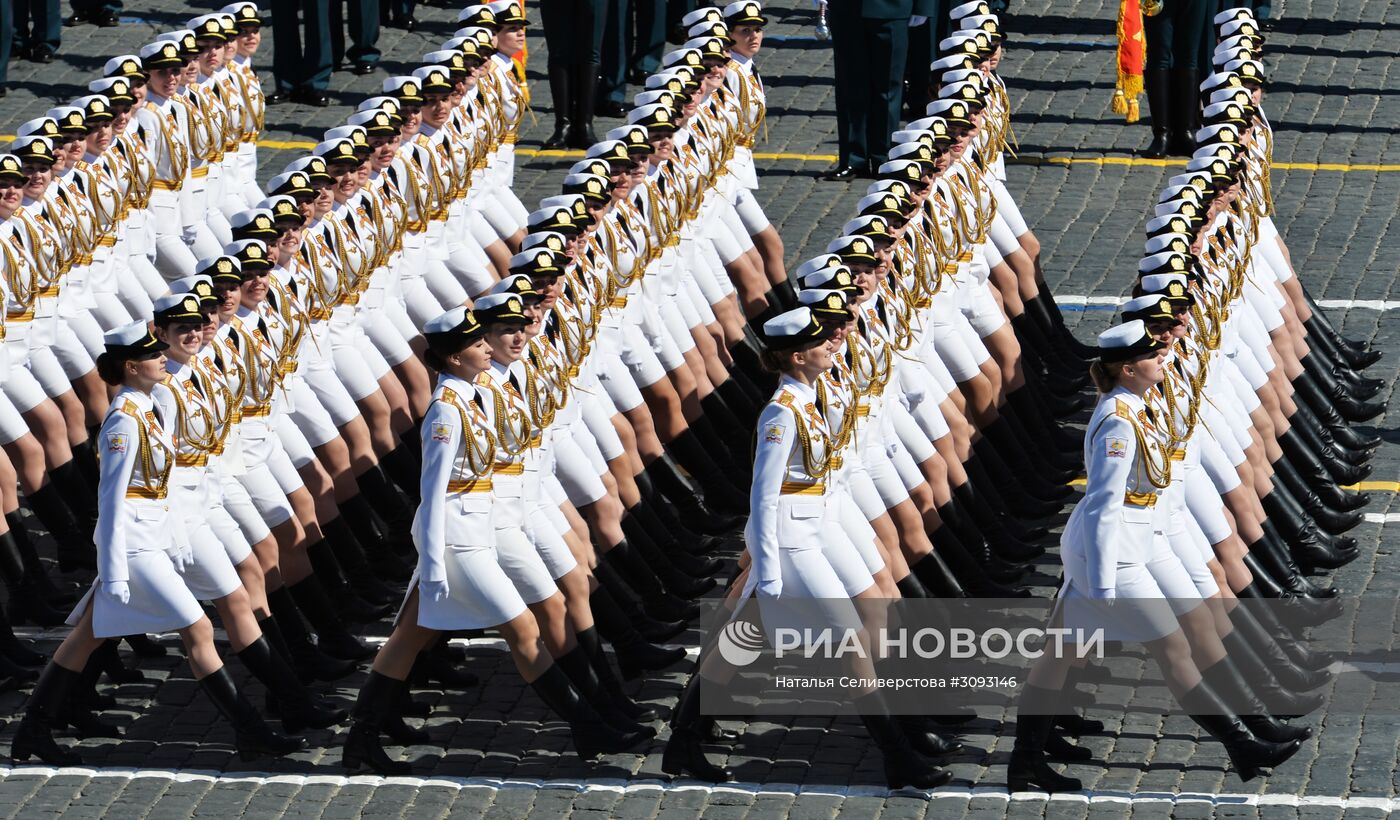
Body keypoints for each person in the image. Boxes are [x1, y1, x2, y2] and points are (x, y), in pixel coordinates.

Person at [9, 321, 305, 765]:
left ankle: (33, 728)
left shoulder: (146, 406)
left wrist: (176, 539)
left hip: (154, 537)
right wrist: (112, 571)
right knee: (198, 629)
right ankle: (250, 730)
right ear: (131, 366)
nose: (162, 357)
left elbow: (160, 486)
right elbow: (109, 501)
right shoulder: (123, 423)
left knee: (87, 636)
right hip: (132, 546)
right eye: (153, 354)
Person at [824, 0, 913, 180]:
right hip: (847, 10)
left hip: (893, 10)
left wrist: (923, 7)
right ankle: (853, 159)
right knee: (850, 86)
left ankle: (885, 157)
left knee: (888, 88)